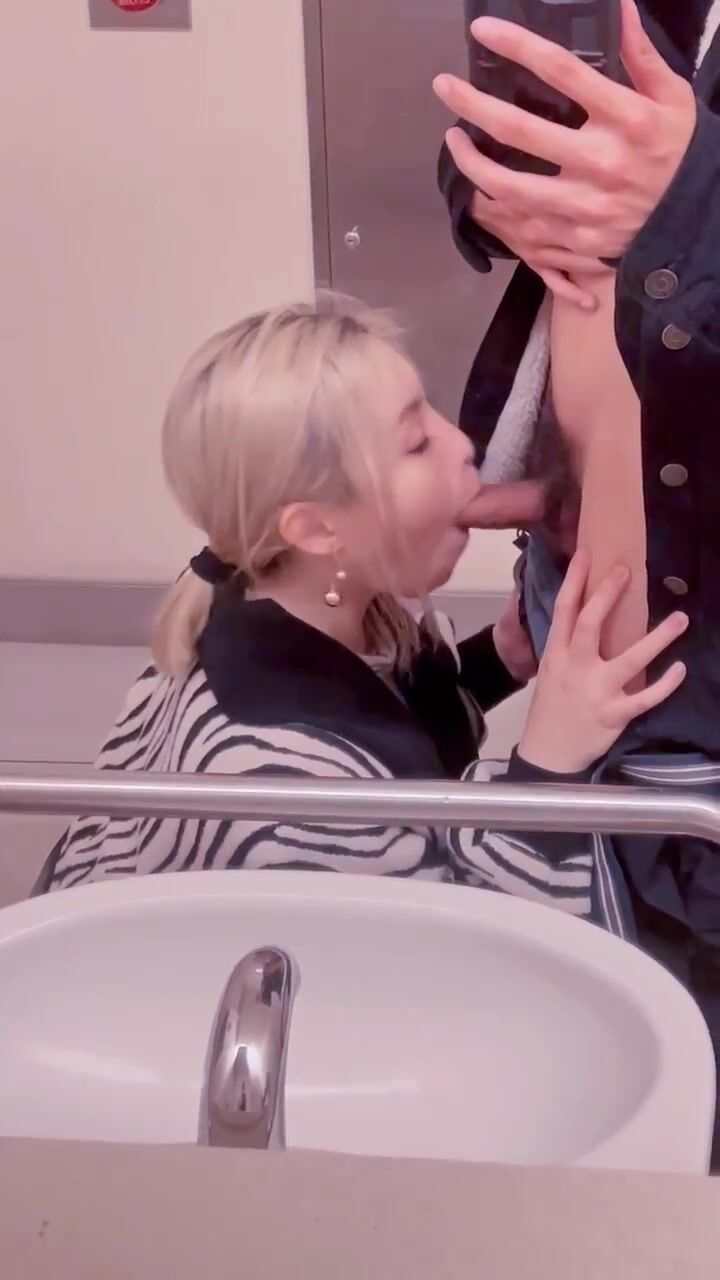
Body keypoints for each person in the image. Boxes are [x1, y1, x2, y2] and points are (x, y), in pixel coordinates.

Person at [35, 293, 684, 926]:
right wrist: (547, 762)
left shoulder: (283, 593)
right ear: (317, 530)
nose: (461, 443)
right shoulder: (283, 781)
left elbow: (384, 708)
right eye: (416, 444)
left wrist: (497, 660)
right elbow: (437, 957)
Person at [435, 0, 720, 1164]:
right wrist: (493, 193)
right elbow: (491, 143)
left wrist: (692, 195)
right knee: (576, 1060)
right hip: (575, 617)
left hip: (703, 706)